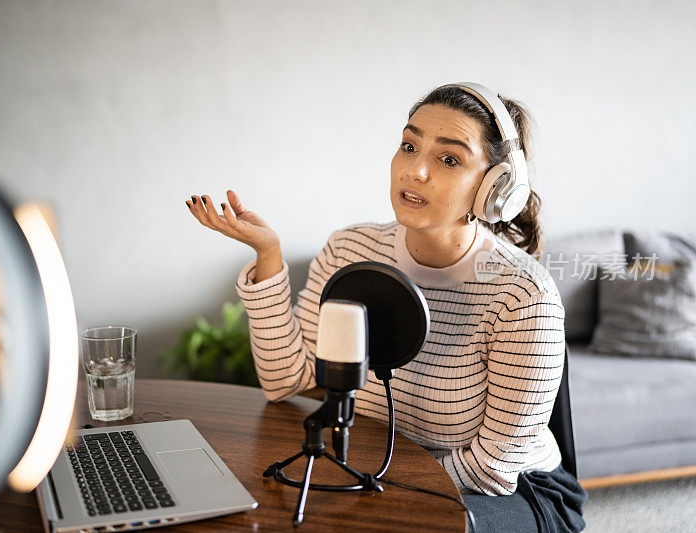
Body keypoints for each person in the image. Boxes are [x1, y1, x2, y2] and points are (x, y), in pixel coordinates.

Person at [185, 83, 587, 532]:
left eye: (449, 159)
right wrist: (269, 257)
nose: (415, 171)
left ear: (494, 188)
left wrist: (374, 493)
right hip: (379, 467)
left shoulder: (523, 296)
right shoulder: (349, 251)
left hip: (511, 491)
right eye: (408, 146)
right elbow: (288, 382)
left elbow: (493, 469)